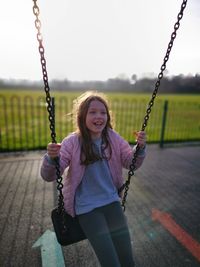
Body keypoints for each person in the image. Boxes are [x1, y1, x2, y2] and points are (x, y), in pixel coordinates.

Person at [40, 91, 146, 267]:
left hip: (112, 203)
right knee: (110, 262)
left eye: (103, 112)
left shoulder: (113, 138)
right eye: (93, 112)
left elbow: (130, 162)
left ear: (108, 116)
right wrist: (51, 159)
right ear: (82, 116)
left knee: (127, 260)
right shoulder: (71, 142)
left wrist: (140, 149)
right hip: (87, 209)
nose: (99, 116)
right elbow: (50, 175)